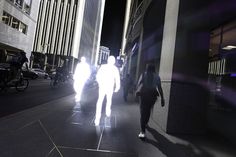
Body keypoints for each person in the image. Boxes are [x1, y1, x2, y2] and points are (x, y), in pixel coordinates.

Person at [136, 64, 165, 139]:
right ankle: (145, 123)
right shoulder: (157, 77)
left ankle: (143, 131)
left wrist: (137, 91)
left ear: (147, 68)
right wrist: (162, 98)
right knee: (148, 110)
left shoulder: (143, 74)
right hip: (152, 96)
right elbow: (159, 88)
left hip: (144, 95)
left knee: (143, 112)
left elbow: (139, 84)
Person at [94, 56, 120, 126]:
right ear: (114, 61)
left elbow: (98, 76)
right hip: (109, 87)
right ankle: (107, 112)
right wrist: (117, 87)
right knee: (108, 100)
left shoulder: (103, 67)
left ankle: (97, 118)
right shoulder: (115, 69)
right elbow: (117, 78)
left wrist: (99, 83)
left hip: (103, 86)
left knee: (100, 101)